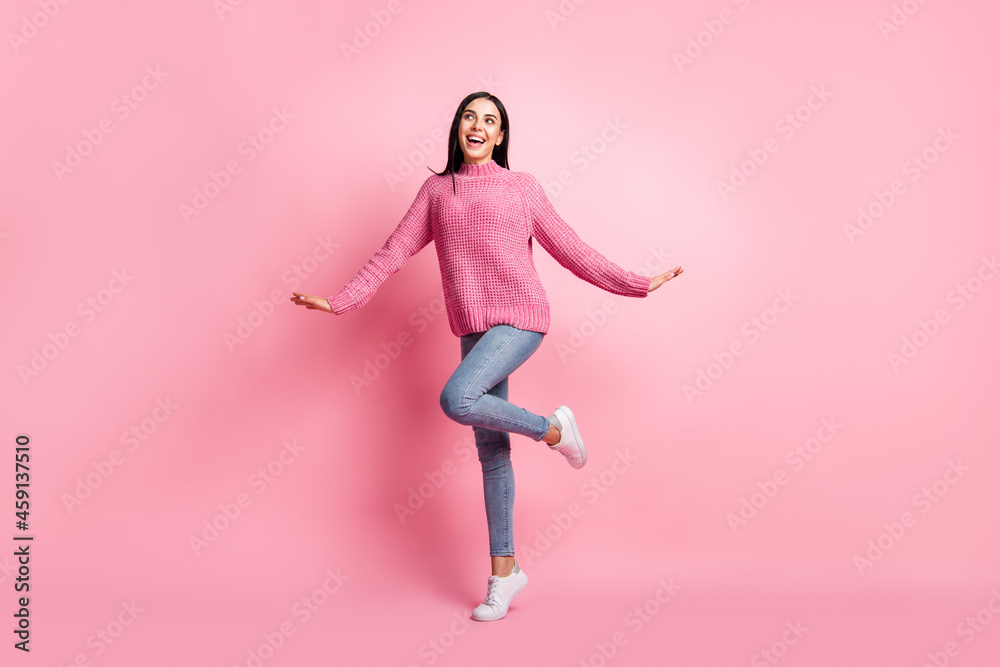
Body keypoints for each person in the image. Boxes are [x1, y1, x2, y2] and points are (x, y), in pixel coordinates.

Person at [291, 91, 682, 621]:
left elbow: (571, 248)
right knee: (492, 455)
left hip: (520, 318)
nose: (478, 126)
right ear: (458, 129)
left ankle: (552, 429)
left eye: (490, 121)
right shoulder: (437, 192)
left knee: (458, 397)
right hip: (474, 328)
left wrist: (636, 284)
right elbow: (393, 252)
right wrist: (341, 301)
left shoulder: (521, 189)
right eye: (470, 117)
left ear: (500, 137)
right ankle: (504, 574)